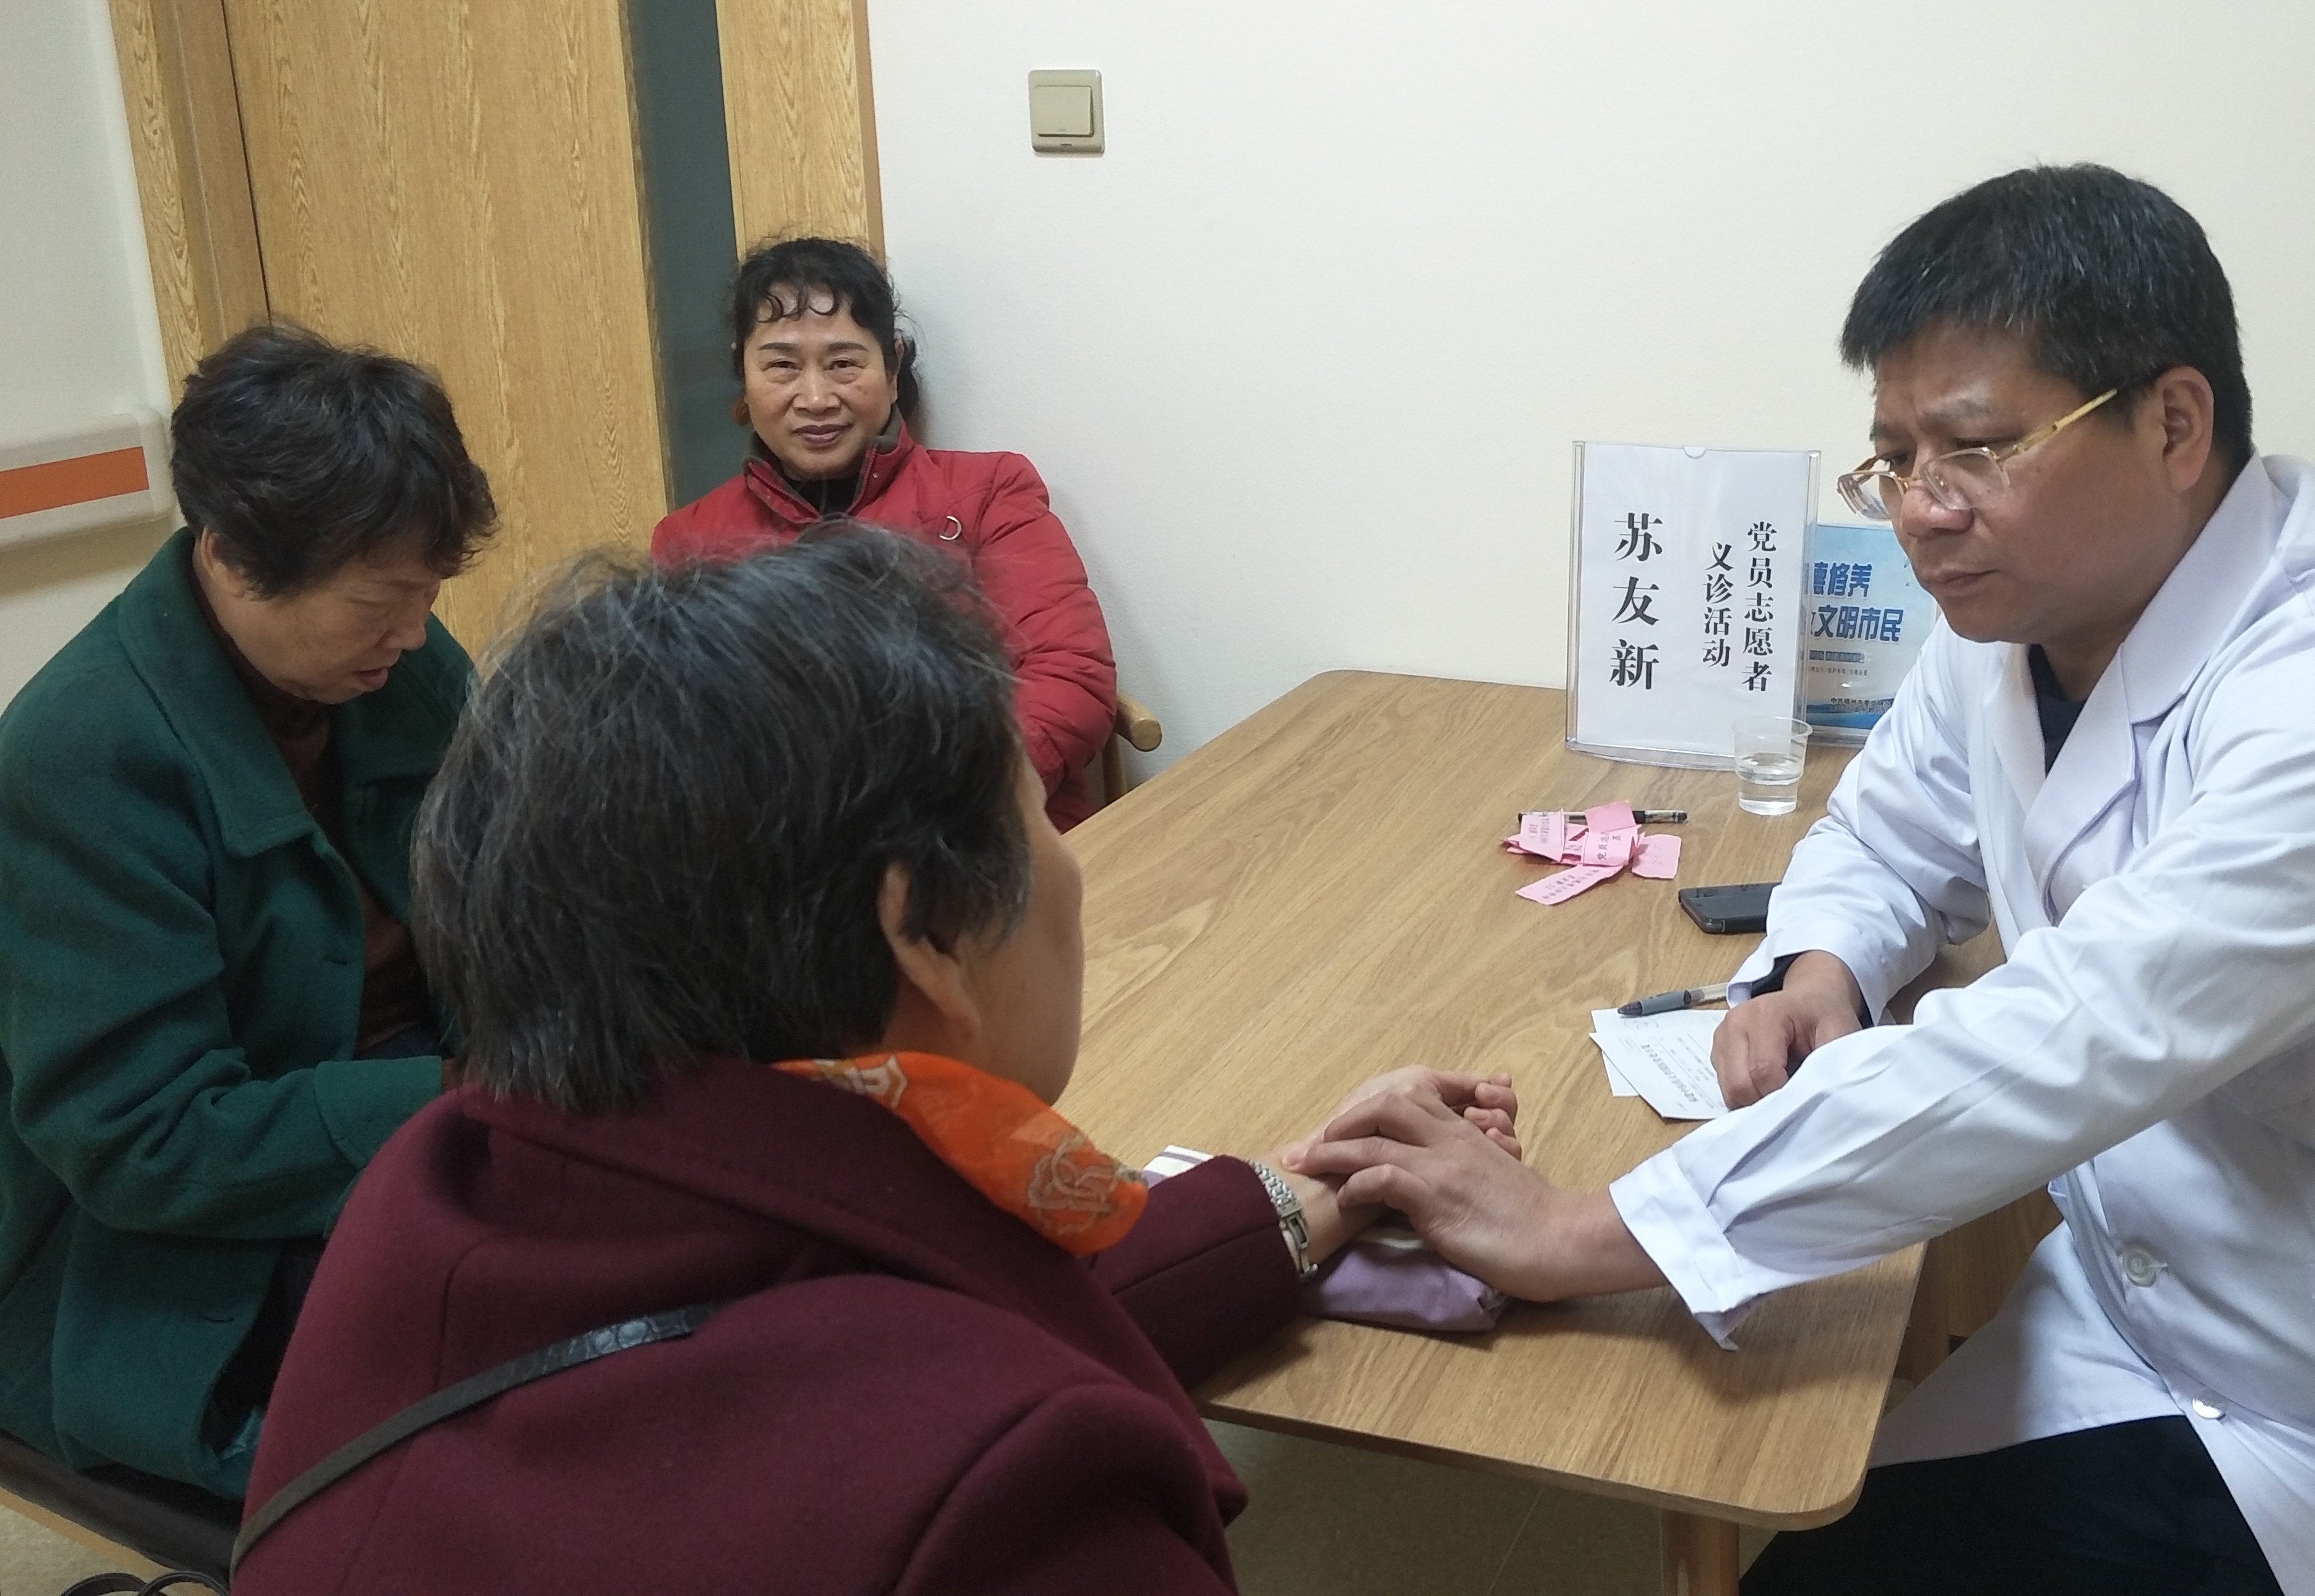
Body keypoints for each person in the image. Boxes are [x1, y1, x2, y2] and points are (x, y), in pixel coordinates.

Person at [1295, 165, 2315, 1595]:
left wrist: (1577, 1231)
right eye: (1896, 457)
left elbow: (2066, 1038)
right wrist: (1821, 970)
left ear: (2173, 423)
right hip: (2153, 1337)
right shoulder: (2021, 621)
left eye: (1977, 449)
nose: (1921, 511)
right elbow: (1884, 833)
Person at [232, 527, 1518, 1593]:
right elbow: (924, 1392)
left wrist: (1319, 1188)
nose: (1071, 870)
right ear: (928, 934)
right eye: (1040, 817)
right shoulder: (1024, 1505)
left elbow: (887, 1310)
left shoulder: (434, 1191)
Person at [0, 323, 493, 1496]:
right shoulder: (80, 754)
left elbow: (511, 893)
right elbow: (145, 1142)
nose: (413, 630)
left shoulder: (401, 667)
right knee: (501, 1403)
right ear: (227, 556)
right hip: (195, 1236)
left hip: (432, 1104)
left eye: (428, 593)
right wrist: (458, 1098)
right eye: (379, 600)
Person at [651, 236, 1118, 829]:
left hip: (995, 831)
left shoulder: (990, 492)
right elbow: (684, 739)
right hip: (792, 854)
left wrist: (946, 800)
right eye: (782, 366)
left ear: (892, 369)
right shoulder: (687, 541)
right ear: (743, 371)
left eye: (844, 363)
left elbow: (1071, 674)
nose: (815, 398)